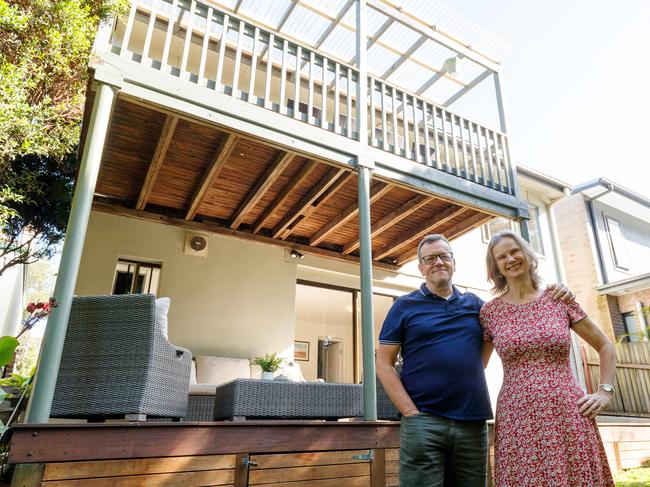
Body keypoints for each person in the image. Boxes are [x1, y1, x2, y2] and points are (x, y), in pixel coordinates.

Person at [376, 233, 572, 487]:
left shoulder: (479, 308)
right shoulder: (404, 306)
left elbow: (486, 352)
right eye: (430, 258)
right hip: (424, 420)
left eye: (444, 256)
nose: (438, 262)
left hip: (472, 422)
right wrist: (411, 413)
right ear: (421, 267)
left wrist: (555, 291)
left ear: (454, 262)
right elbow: (383, 364)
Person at [481, 230, 616, 486]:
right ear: (496, 267)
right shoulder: (490, 312)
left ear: (527, 254)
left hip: (567, 411)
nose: (510, 259)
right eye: (501, 257)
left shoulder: (558, 299)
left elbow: (606, 346)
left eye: (514, 251)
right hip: (517, 416)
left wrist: (604, 391)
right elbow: (477, 365)